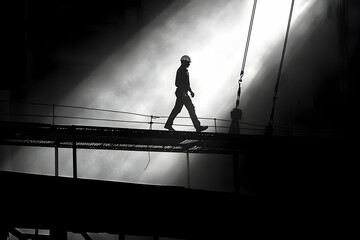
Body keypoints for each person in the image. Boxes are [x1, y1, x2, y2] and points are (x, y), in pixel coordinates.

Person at [164, 55, 208, 132]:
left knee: (177, 109)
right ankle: (197, 127)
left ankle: (168, 124)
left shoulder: (185, 71)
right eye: (188, 63)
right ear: (184, 62)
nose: (189, 64)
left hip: (183, 93)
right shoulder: (181, 70)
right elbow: (178, 83)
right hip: (182, 93)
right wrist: (184, 92)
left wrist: (190, 91)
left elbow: (187, 84)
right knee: (190, 108)